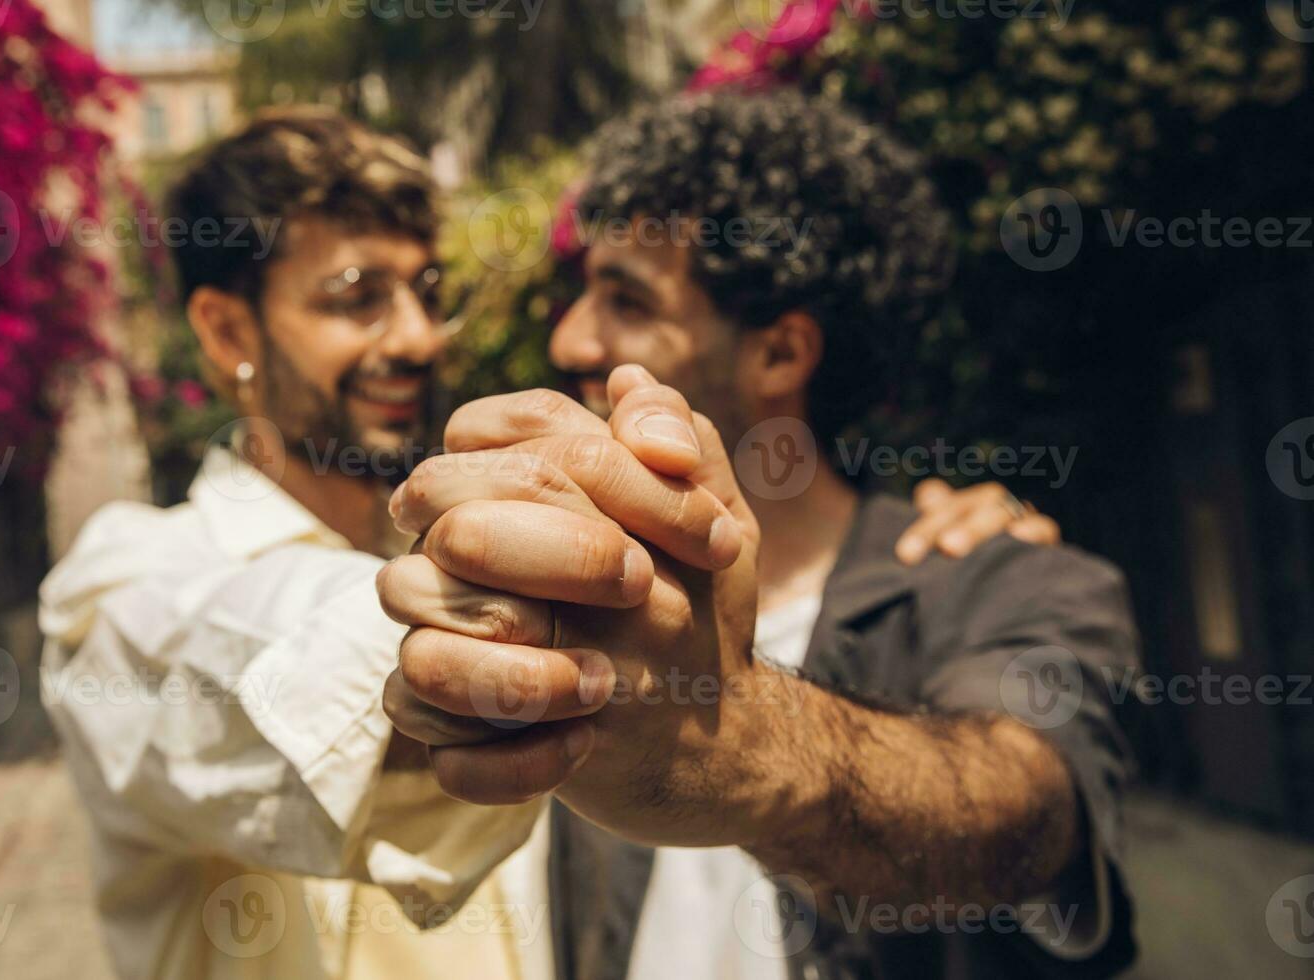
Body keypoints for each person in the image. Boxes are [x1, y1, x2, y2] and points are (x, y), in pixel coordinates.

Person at [37, 105, 1045, 980]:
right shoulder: (125, 579)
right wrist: (542, 626)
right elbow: (257, 658)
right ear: (224, 333)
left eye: (427, 289)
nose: (420, 336)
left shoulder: (515, 536)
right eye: (356, 297)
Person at [378, 90, 1141, 980]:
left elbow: (1029, 814)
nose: (571, 338)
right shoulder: (583, 601)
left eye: (625, 300)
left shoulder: (1010, 580)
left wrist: (746, 743)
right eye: (582, 291)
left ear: (780, 355)